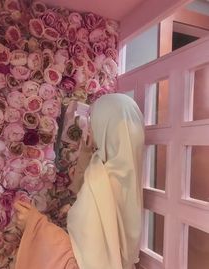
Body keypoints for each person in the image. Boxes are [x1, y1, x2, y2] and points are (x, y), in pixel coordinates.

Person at [13, 93, 145, 269]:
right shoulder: (128, 172)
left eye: (93, 123)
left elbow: (85, 261)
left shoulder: (101, 178)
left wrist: (35, 224)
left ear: (105, 128)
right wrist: (86, 152)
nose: (89, 129)